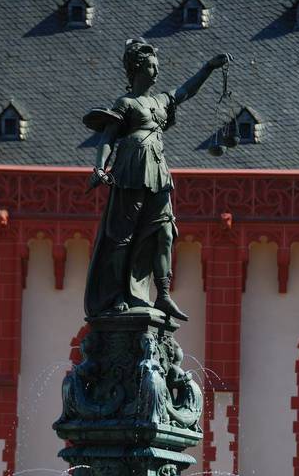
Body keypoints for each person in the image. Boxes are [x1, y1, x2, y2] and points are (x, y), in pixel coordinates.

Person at [83, 38, 232, 321]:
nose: (157, 71)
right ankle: (115, 296)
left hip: (158, 171)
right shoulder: (126, 103)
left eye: (157, 65)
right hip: (131, 170)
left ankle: (162, 294)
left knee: (165, 231)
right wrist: (100, 168)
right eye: (152, 65)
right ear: (138, 68)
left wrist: (208, 68)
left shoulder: (160, 101)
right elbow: (107, 138)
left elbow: (187, 90)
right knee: (123, 237)